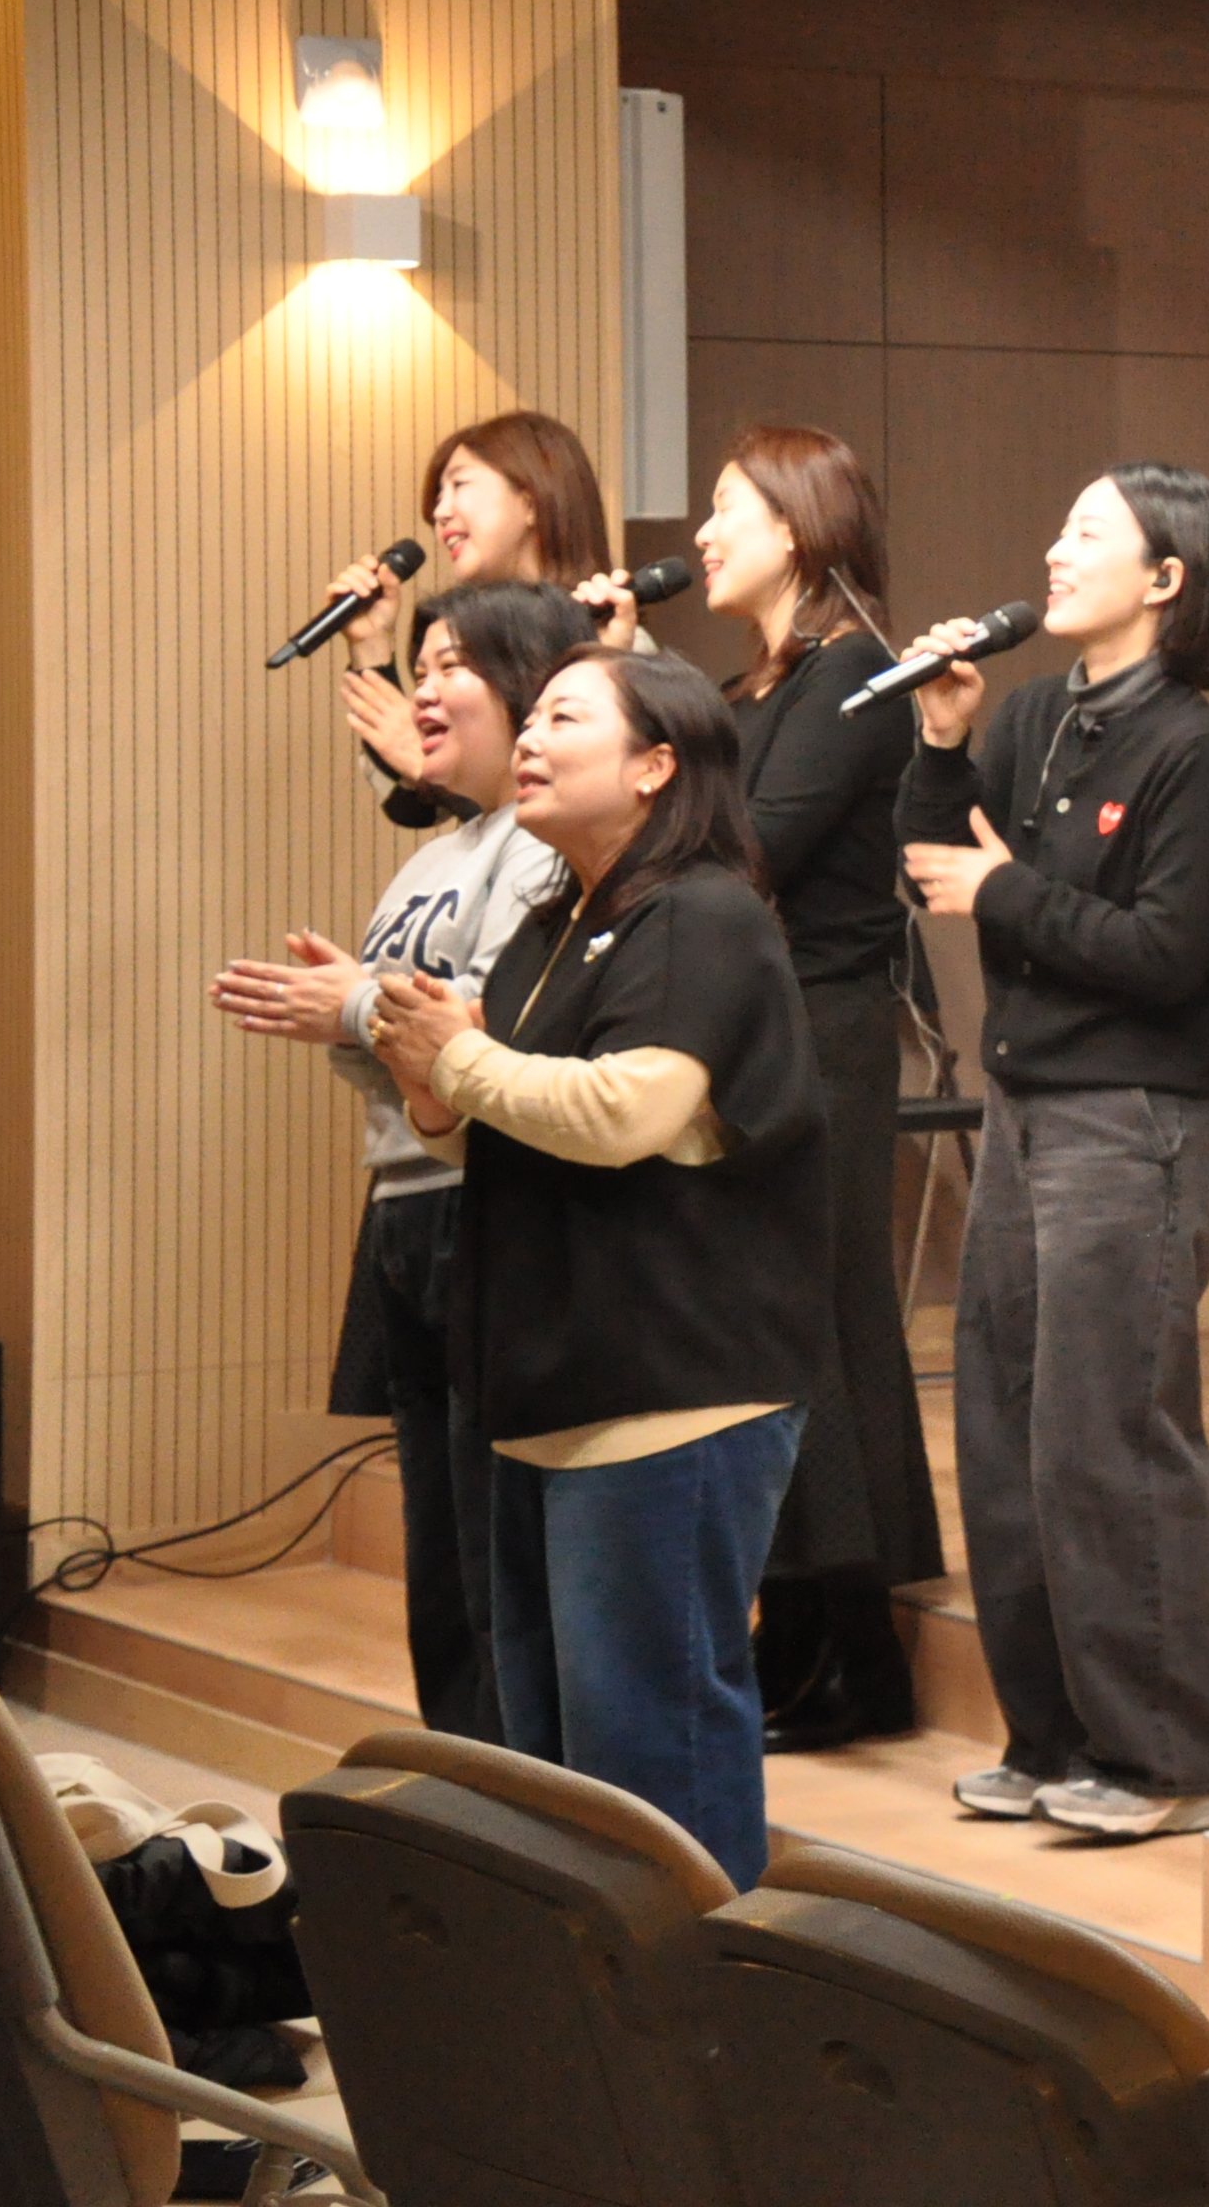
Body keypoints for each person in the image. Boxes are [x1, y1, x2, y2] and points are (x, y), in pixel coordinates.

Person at [363, 648, 829, 1889]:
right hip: (544, 1383)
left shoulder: (704, 914)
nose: (529, 736)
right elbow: (493, 1116)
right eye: (532, 717)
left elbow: (628, 1111)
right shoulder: (549, 923)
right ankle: (585, 1996)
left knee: (650, 1749)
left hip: (669, 1390)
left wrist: (457, 1063)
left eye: (564, 717)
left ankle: (698, 1996)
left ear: (656, 764)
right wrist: (425, 1075)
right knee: (553, 1759)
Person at [899, 461, 1209, 1840]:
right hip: (1025, 1102)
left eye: (1086, 532)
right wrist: (942, 748)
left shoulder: (1195, 748)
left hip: (1135, 1113)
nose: (1053, 551)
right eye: (1058, 525)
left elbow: (1167, 953)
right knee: (1007, 1432)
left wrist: (1007, 890)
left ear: (1165, 578)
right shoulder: (1033, 715)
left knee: (1108, 1432)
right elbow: (932, 870)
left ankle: (1164, 1759)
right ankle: (1050, 1735)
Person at [596, 426, 947, 1752]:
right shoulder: (763, 679)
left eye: (726, 508)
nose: (702, 534)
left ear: (795, 527)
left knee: (816, 1322)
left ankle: (858, 1650)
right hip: (765, 1026)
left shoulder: (856, 672)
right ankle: (798, 1634)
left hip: (822, 1032)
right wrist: (630, 670)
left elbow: (757, 843)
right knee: (773, 1329)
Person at [210, 580, 585, 1740]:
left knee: (490, 1527)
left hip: (490, 1196)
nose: (423, 691)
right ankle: (458, 1771)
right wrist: (348, 1013)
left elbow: (490, 1022)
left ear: (530, 689)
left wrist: (355, 1005)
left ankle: (516, 1781)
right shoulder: (430, 856)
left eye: (453, 665)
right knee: (437, 1531)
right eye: (419, 666)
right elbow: (390, 1052)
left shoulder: (539, 847)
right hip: (403, 1198)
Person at [327, 411, 616, 827]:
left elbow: (579, 824)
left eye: (459, 485)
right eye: (438, 498)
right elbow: (415, 806)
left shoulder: (611, 641)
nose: (440, 513)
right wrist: (371, 644)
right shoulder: (479, 634)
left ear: (530, 501)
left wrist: (419, 757)